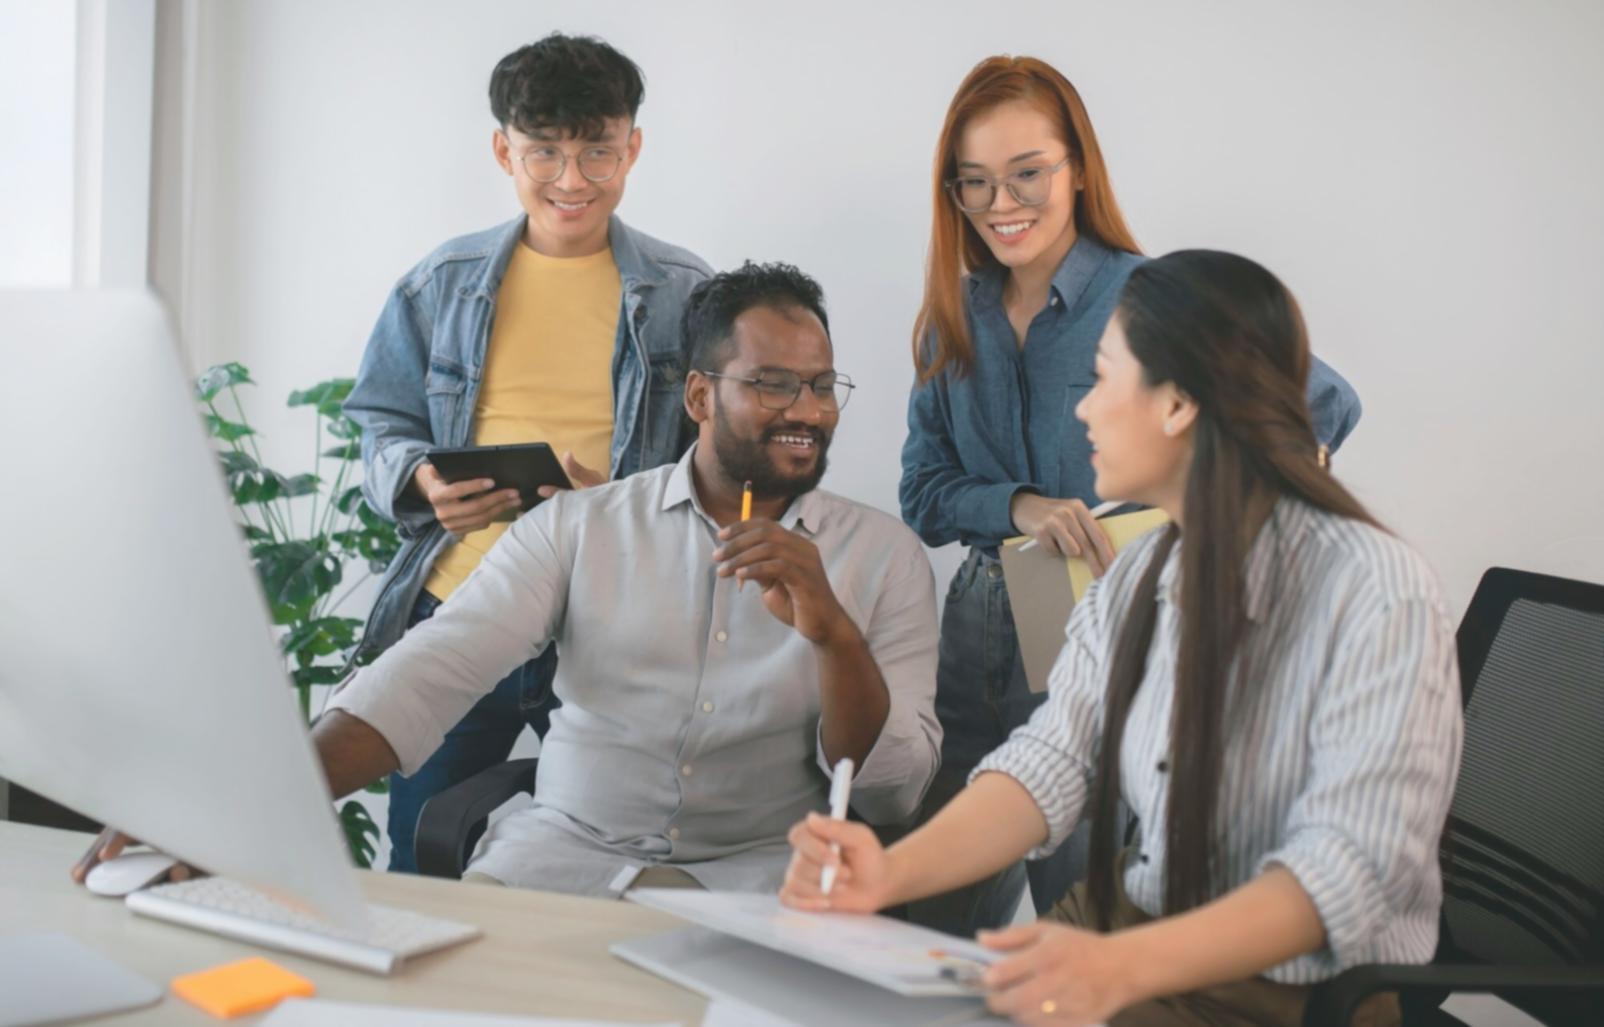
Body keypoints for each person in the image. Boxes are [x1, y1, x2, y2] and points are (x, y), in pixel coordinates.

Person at [783, 250, 1462, 1027]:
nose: (1084, 410)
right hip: (1130, 927)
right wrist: (885, 873)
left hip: (1285, 994)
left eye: (1103, 379)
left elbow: (1346, 871)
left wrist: (1115, 967)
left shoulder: (1376, 590)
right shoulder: (1138, 570)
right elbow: (1052, 762)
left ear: (1176, 405)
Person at [169, 262, 933, 895]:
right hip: (561, 864)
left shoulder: (885, 556)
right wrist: (247, 813)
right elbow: (429, 670)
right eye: (773, 384)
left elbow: (892, 786)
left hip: (761, 883)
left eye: (821, 385)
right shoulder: (580, 526)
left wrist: (834, 634)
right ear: (699, 396)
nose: (807, 410)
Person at [898, 55, 1364, 933]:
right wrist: (1023, 506)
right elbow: (922, 492)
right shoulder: (951, 314)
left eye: (1027, 173)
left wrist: (1219, 522)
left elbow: (1325, 404)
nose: (1002, 205)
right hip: (979, 625)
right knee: (935, 909)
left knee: (1080, 904)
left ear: (1078, 166)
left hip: (1107, 611)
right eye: (975, 183)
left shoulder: (1148, 298)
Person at [342, 33, 712, 872]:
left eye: (597, 152)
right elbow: (377, 419)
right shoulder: (443, 281)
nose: (572, 180)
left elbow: (720, 459)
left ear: (633, 149)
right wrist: (421, 479)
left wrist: (623, 499)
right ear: (505, 149)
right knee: (422, 857)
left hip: (611, 618)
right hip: (459, 604)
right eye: (545, 152)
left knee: (618, 856)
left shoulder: (687, 294)